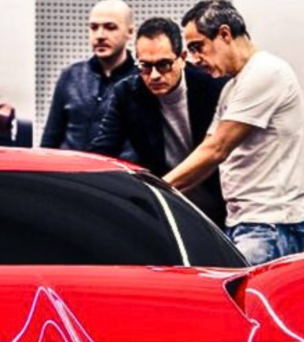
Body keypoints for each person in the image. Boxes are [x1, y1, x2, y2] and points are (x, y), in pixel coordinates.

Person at [163, 0, 304, 265]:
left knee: (247, 307)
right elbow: (207, 150)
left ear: (225, 34)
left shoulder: (265, 72)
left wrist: (157, 188)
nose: (195, 59)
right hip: (248, 223)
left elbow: (216, 149)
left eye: (198, 47)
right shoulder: (233, 87)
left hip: (268, 225)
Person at [88, 17, 229, 227]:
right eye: (144, 65)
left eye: (163, 65)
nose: (153, 75)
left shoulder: (214, 86)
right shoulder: (127, 94)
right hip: (166, 209)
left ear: (182, 57)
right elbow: (103, 152)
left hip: (220, 205)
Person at [41, 0, 138, 155]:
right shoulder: (70, 76)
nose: (100, 35)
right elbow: (50, 139)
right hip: (67, 174)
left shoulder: (140, 81)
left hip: (116, 176)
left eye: (110, 27)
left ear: (130, 32)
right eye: (94, 27)